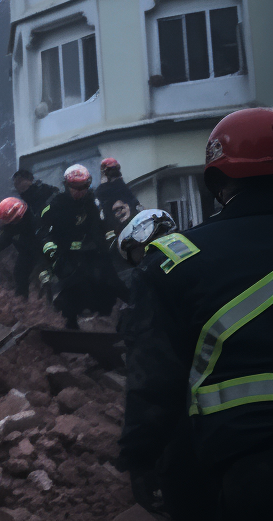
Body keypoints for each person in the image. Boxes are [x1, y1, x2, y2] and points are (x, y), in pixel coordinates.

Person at [117, 108, 273, 518]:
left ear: (218, 182)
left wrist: (141, 455)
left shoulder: (175, 260)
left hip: (240, 466)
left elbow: (155, 378)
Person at [39, 164, 122, 330]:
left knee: (109, 280)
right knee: (69, 287)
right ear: (66, 186)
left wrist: (108, 241)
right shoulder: (55, 205)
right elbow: (43, 233)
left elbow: (104, 225)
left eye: (83, 187)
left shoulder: (93, 203)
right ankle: (70, 324)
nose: (80, 192)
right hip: (65, 253)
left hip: (91, 251)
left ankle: (106, 321)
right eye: (75, 188)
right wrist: (50, 250)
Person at [0, 197, 41, 298]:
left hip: (42, 252)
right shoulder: (12, 229)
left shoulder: (34, 220)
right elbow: (3, 241)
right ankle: (22, 301)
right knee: (19, 274)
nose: (16, 222)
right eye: (12, 221)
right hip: (26, 254)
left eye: (17, 219)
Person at [96, 158, 143, 245]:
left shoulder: (124, 187)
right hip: (115, 234)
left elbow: (136, 205)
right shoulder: (102, 192)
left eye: (115, 169)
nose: (113, 173)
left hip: (133, 230)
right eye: (110, 170)